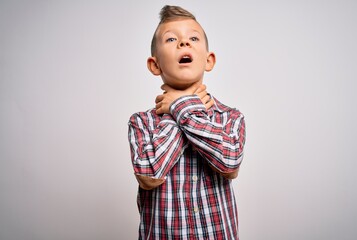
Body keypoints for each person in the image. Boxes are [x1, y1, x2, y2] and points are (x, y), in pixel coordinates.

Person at [128, 5, 246, 240]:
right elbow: (149, 174)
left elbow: (229, 163)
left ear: (208, 60)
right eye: (171, 39)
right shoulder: (140, 122)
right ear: (155, 65)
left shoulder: (230, 117)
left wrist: (180, 107)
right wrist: (180, 109)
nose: (184, 43)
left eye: (193, 38)